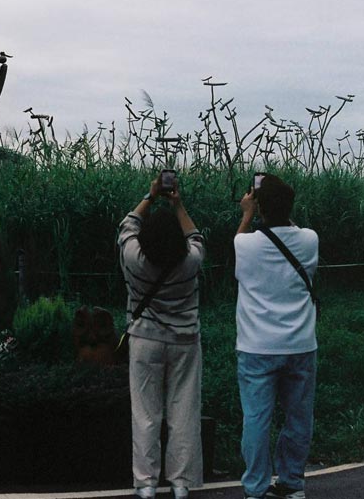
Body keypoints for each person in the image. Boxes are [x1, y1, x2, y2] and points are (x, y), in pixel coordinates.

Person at [118, 174, 205, 499]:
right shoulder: (191, 260)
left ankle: (146, 484)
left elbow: (127, 225)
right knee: (183, 412)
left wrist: (150, 197)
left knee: (145, 414)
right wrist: (178, 204)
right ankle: (181, 483)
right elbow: (195, 235)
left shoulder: (134, 259)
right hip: (185, 341)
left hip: (145, 340)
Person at [234, 174, 319, 499]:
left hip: (257, 347)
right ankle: (292, 483)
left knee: (257, 418)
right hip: (300, 344)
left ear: (258, 206)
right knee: (299, 417)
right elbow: (290, 231)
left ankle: (255, 488)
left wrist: (247, 215)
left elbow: (240, 251)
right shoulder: (310, 239)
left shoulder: (245, 243)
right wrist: (273, 207)